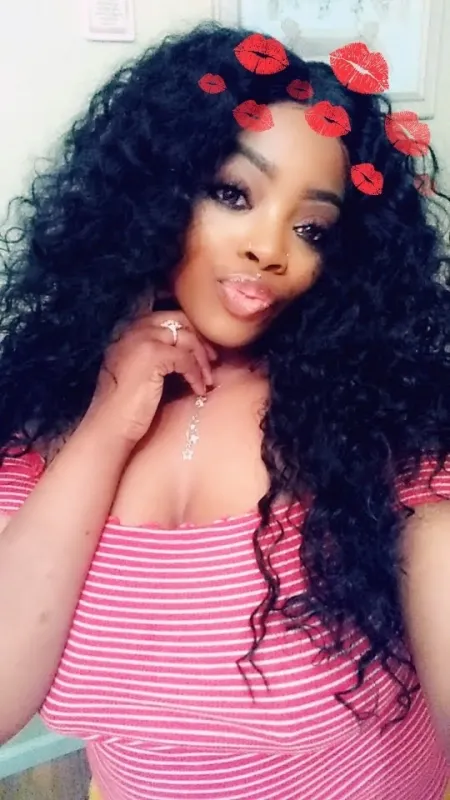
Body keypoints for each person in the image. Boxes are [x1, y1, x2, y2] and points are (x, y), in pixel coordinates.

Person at [0, 18, 449, 800]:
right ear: (154, 191)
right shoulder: (46, 410)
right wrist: (108, 424)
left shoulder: (377, 422)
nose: (270, 249)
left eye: (311, 228)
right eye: (232, 193)